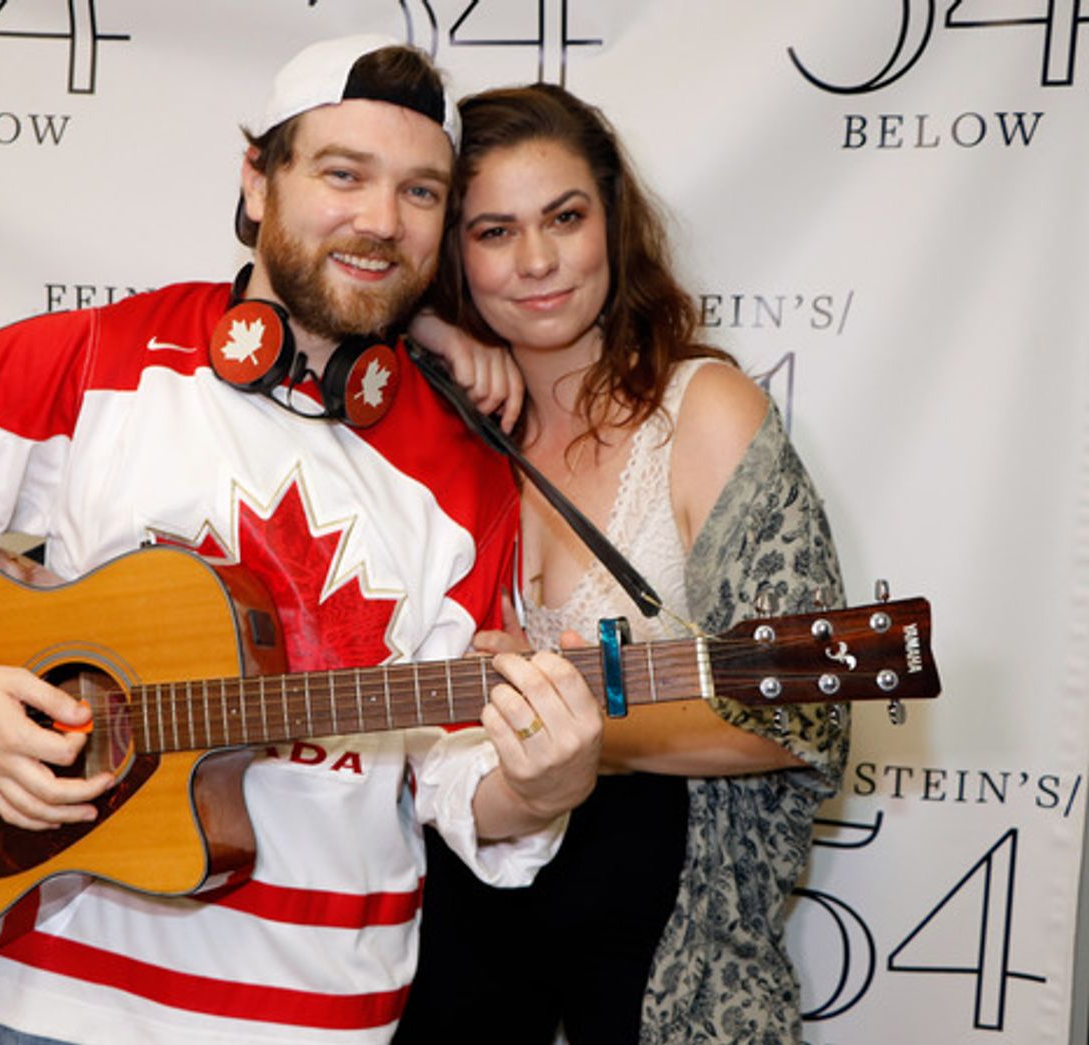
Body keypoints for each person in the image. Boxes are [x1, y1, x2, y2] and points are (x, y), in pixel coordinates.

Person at [0, 39, 603, 1045]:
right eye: (340, 174)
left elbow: (455, 783)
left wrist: (541, 786)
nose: (378, 220)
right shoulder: (109, 358)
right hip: (52, 1009)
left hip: (319, 1019)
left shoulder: (469, 469)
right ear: (254, 179)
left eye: (418, 191)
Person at [392, 83, 849, 1045]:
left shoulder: (704, 411)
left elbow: (806, 704)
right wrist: (420, 334)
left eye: (566, 217)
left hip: (662, 947)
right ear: (449, 253)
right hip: (457, 938)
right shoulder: (424, 427)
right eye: (493, 232)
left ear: (614, 219)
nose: (539, 262)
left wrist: (572, 727)